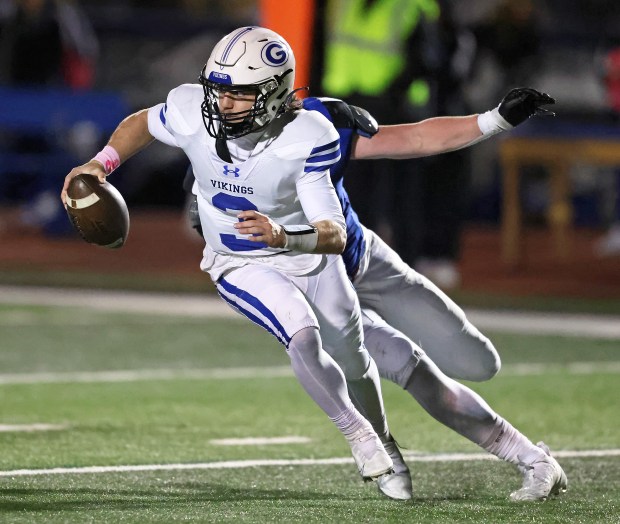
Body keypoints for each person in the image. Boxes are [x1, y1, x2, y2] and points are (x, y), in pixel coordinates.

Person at [183, 87, 567, 502]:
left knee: (477, 360)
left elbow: (416, 138)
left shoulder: (315, 125)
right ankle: (531, 457)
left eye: (243, 95)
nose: (229, 110)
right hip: (317, 289)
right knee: (409, 366)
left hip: (362, 259)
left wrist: (496, 120)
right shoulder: (210, 154)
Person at [61, 26, 399, 494]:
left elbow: (334, 233)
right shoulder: (190, 109)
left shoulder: (308, 135)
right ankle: (358, 435)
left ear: (274, 93)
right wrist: (101, 163)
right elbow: (143, 121)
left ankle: (384, 438)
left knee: (354, 358)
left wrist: (283, 234)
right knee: (301, 334)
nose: (223, 104)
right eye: (218, 90)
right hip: (238, 260)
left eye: (240, 94)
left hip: (304, 253)